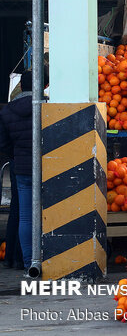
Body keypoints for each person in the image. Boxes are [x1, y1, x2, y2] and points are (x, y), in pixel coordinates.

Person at [0, 70, 38, 271]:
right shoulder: (46, 108)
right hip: (45, 167)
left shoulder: (6, 111)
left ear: (20, 86)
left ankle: (28, 262)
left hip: (21, 169)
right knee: (44, 213)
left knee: (25, 216)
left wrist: (15, 157)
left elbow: (4, 144)